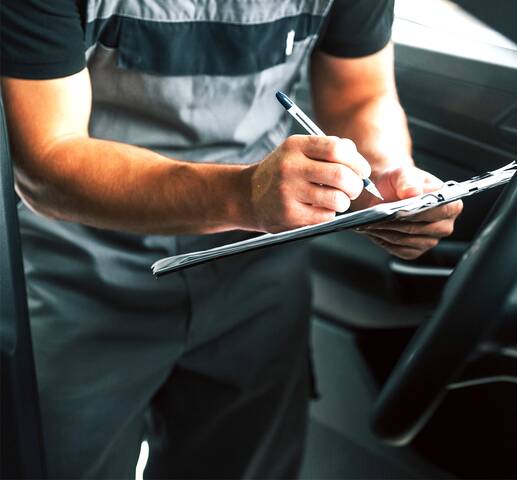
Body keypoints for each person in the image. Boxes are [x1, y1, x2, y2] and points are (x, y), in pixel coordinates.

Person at [0, 0, 463, 477]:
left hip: (257, 265)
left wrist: (384, 178)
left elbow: (360, 94)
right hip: (78, 260)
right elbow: (47, 162)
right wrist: (244, 194)